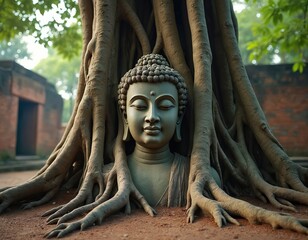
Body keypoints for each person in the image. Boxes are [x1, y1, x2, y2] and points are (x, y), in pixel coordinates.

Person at [118, 54, 220, 207]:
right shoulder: (109, 179)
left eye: (165, 106)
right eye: (140, 106)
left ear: (179, 118)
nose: (152, 117)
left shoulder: (200, 178)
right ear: (125, 117)